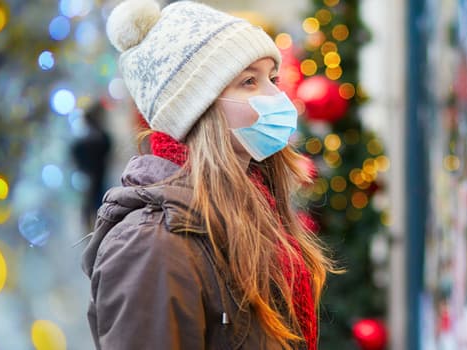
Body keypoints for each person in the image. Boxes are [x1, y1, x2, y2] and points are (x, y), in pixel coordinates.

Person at [80, 1, 333, 349]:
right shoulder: (153, 244)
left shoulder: (253, 211)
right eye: (249, 81)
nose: (277, 96)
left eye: (271, 78)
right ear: (196, 108)